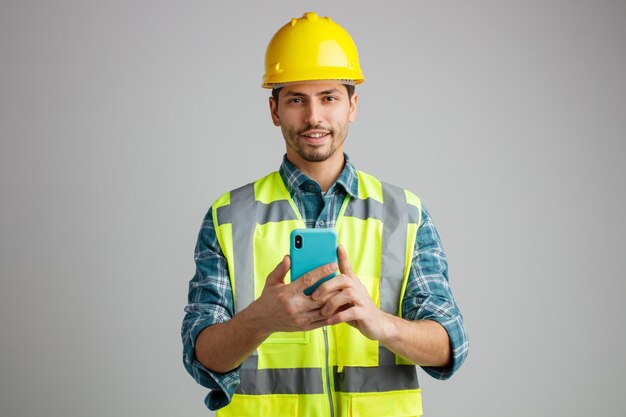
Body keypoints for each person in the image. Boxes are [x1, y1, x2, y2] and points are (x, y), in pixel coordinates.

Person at [182, 12, 468, 417]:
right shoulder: (229, 217)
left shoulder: (404, 213)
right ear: (274, 110)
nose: (314, 116)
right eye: (297, 99)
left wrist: (378, 322)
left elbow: (449, 344)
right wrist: (260, 320)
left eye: (329, 97)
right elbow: (200, 354)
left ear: (352, 105)